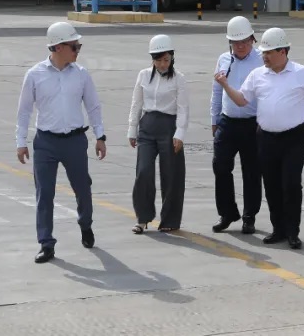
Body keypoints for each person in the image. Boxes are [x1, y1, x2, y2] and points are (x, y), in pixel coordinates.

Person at [215, 27, 304, 249]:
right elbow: (242, 100)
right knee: (271, 184)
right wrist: (225, 85)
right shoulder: (258, 75)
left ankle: (292, 231)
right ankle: (278, 229)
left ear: (283, 52)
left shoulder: (302, 73)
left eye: (268, 53)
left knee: (291, 184)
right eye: (263, 52)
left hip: (294, 138)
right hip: (266, 138)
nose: (264, 56)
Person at [15, 21, 106, 264]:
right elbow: (24, 111)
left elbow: (93, 106)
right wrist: (21, 141)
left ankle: (85, 224)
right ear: (58, 47)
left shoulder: (81, 74)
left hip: (74, 141)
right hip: (46, 142)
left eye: (79, 46)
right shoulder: (35, 75)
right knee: (44, 193)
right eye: (74, 46)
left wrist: (100, 136)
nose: (78, 50)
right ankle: (46, 243)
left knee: (83, 188)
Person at [127, 34, 188, 234]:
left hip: (169, 127)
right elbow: (136, 103)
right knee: (143, 171)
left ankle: (170, 219)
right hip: (147, 126)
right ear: (152, 59)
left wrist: (179, 133)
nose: (163, 64)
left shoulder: (179, 78)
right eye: (158, 60)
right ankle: (142, 218)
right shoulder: (143, 75)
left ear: (172, 58)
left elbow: (183, 108)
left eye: (166, 60)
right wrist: (132, 129)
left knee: (171, 174)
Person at [209, 16, 264, 234]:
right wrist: (214, 119)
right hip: (227, 121)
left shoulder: (261, 60)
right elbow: (216, 91)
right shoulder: (223, 59)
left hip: (253, 124)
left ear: (252, 39)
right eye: (235, 42)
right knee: (220, 166)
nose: (240, 46)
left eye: (244, 41)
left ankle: (249, 216)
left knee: (252, 171)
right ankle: (227, 213)